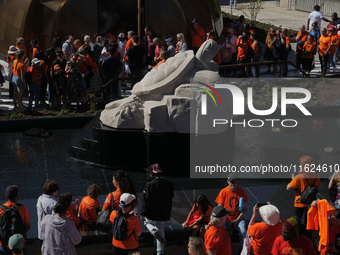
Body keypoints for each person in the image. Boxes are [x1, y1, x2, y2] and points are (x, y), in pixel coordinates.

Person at [141, 163, 174, 255]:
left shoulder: (149, 185)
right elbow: (171, 197)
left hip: (151, 213)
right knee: (161, 230)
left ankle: (153, 230)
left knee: (147, 222)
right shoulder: (169, 184)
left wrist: (143, 212)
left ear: (151, 174)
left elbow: (145, 200)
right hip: (163, 213)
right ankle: (160, 253)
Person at [286, 155, 320, 236]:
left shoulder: (299, 177)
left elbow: (288, 187)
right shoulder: (317, 175)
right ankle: (307, 239)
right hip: (311, 203)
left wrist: (293, 178)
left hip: (299, 202)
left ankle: (296, 236)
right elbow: (317, 185)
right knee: (308, 222)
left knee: (296, 221)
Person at [215, 174, 248, 251]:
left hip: (238, 218)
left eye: (235, 182)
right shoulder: (223, 192)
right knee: (219, 229)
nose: (233, 184)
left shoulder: (242, 192)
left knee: (243, 231)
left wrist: (236, 221)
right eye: (231, 182)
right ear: (227, 182)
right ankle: (220, 247)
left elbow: (244, 209)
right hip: (225, 218)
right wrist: (226, 221)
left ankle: (242, 249)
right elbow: (219, 210)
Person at [0, 186, 30, 255]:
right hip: (20, 243)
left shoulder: (0, 210)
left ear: (6, 196)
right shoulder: (23, 208)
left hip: (4, 243)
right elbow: (28, 226)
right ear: (16, 196)